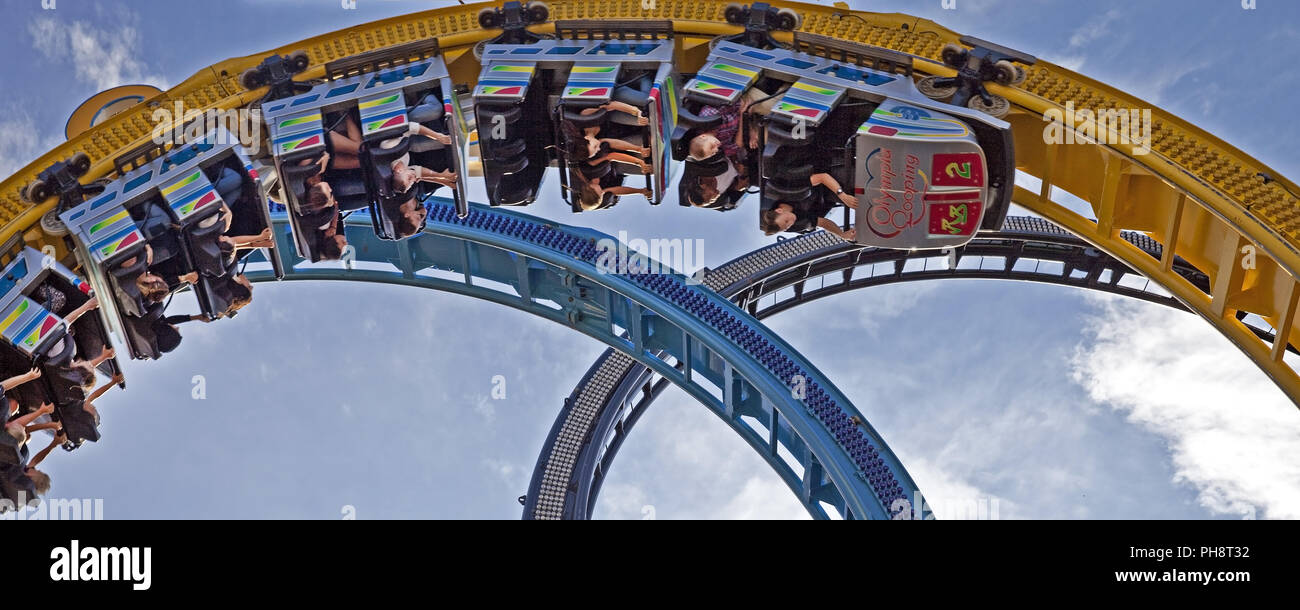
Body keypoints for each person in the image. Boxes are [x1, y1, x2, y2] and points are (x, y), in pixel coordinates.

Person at [760, 172, 858, 240]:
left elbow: (822, 177)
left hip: (828, 170)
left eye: (786, 221)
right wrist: (841, 234)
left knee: (857, 181)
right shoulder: (795, 224)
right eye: (786, 227)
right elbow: (823, 223)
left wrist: (842, 195)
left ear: (779, 211)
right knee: (858, 200)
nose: (790, 224)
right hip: (827, 195)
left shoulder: (785, 190)